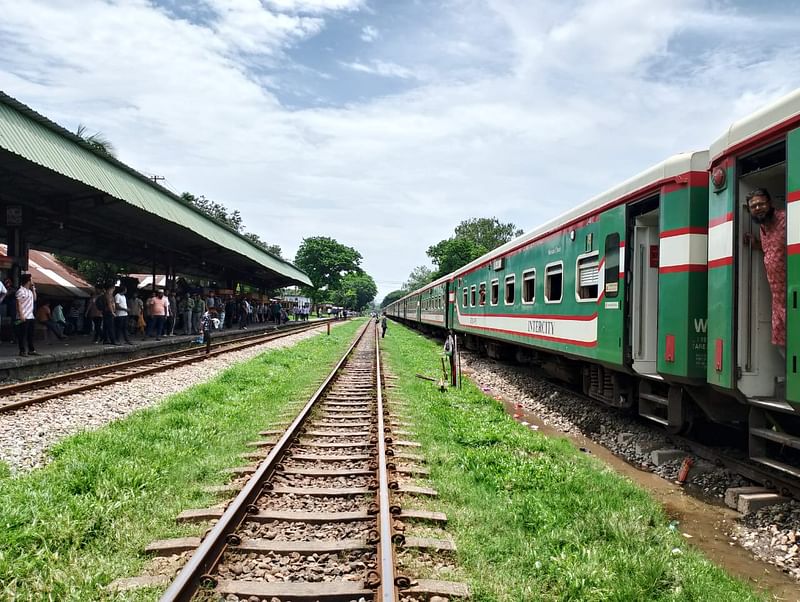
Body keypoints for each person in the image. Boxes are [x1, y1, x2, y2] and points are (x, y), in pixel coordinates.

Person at [744, 188, 786, 357]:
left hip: (793, 293)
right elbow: (773, 250)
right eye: (753, 206)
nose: (758, 208)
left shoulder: (785, 220)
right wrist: (755, 244)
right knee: (782, 344)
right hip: (778, 299)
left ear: (770, 203)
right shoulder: (763, 227)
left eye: (761, 204)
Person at [15, 274, 38, 356]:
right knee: (22, 334)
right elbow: (18, 303)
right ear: (28, 280)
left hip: (30, 315)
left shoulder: (30, 291)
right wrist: (21, 315)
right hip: (23, 316)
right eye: (31, 279)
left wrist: (33, 289)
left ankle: (31, 349)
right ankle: (22, 350)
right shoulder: (20, 291)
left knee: (30, 334)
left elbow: (35, 299)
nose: (32, 281)